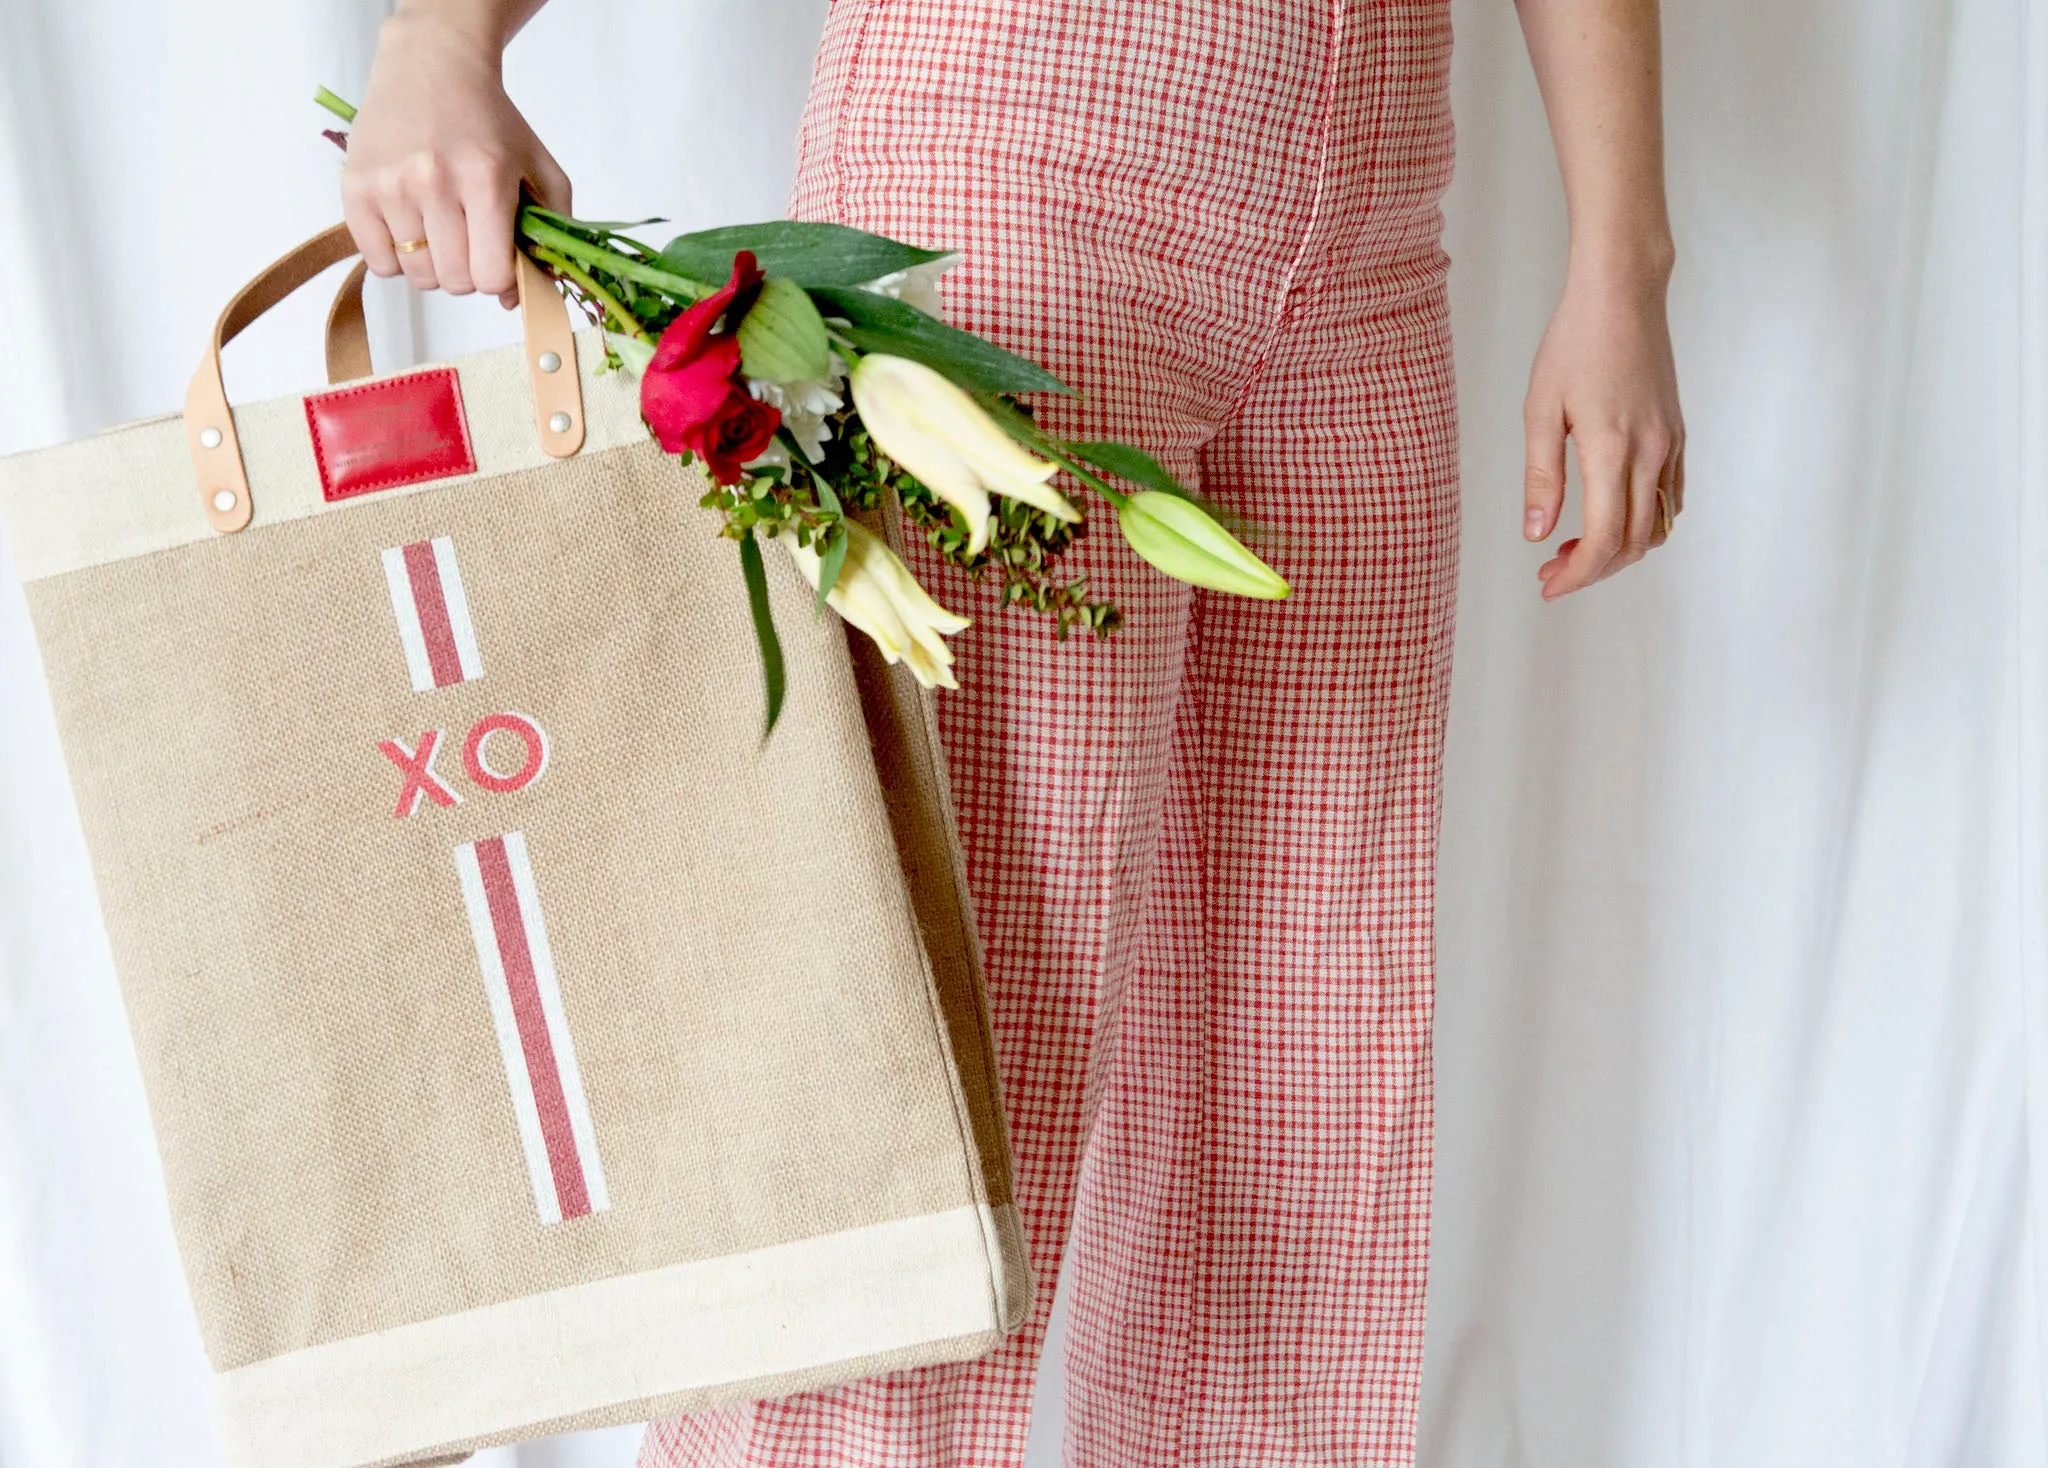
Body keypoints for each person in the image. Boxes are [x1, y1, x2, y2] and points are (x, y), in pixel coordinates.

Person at [343, 1, 1684, 1463]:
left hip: (1366, 225)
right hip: (1020, 149)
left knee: (1298, 1029)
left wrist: (1623, 261)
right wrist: (439, 42)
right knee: (943, 1051)